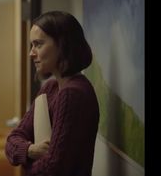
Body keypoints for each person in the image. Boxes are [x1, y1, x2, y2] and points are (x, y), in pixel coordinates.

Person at [5, 11, 99, 176]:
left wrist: (26, 165)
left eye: (38, 44)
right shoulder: (51, 88)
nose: (31, 53)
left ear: (63, 45)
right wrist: (31, 150)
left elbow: (52, 169)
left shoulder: (72, 94)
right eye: (31, 45)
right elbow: (12, 140)